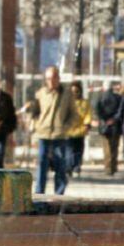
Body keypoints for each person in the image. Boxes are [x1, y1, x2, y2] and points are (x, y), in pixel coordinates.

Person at [28, 65, 78, 195]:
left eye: (53, 78)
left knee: (60, 165)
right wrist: (36, 126)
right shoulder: (41, 93)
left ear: (58, 78)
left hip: (59, 135)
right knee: (42, 166)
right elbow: (34, 113)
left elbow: (74, 114)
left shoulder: (67, 94)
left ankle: (59, 193)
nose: (51, 81)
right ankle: (39, 193)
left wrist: (66, 127)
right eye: (48, 78)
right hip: (43, 134)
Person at [95, 81, 123, 175]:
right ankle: (114, 166)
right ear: (112, 87)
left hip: (104, 125)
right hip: (115, 125)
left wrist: (104, 119)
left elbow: (97, 110)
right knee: (115, 147)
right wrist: (114, 119)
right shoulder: (118, 97)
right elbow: (120, 111)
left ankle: (107, 167)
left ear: (104, 87)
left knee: (106, 147)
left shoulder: (100, 97)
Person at [66, 81, 92, 177]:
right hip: (68, 131)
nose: (75, 94)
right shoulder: (67, 103)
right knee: (68, 151)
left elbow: (88, 114)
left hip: (80, 131)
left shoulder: (84, 103)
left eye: (77, 91)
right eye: (72, 92)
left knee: (78, 151)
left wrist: (87, 124)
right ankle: (68, 168)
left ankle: (76, 167)